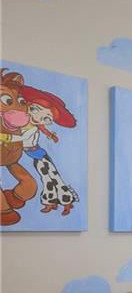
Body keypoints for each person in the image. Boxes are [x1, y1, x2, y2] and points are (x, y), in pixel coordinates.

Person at [10, 86, 79, 215]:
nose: (37, 118)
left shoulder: (31, 129)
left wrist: (7, 138)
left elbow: (21, 138)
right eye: (34, 109)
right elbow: (41, 127)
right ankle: (51, 202)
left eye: (46, 118)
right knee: (47, 179)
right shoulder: (26, 123)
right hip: (35, 155)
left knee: (54, 179)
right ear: (28, 105)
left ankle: (67, 201)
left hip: (40, 156)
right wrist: (49, 134)